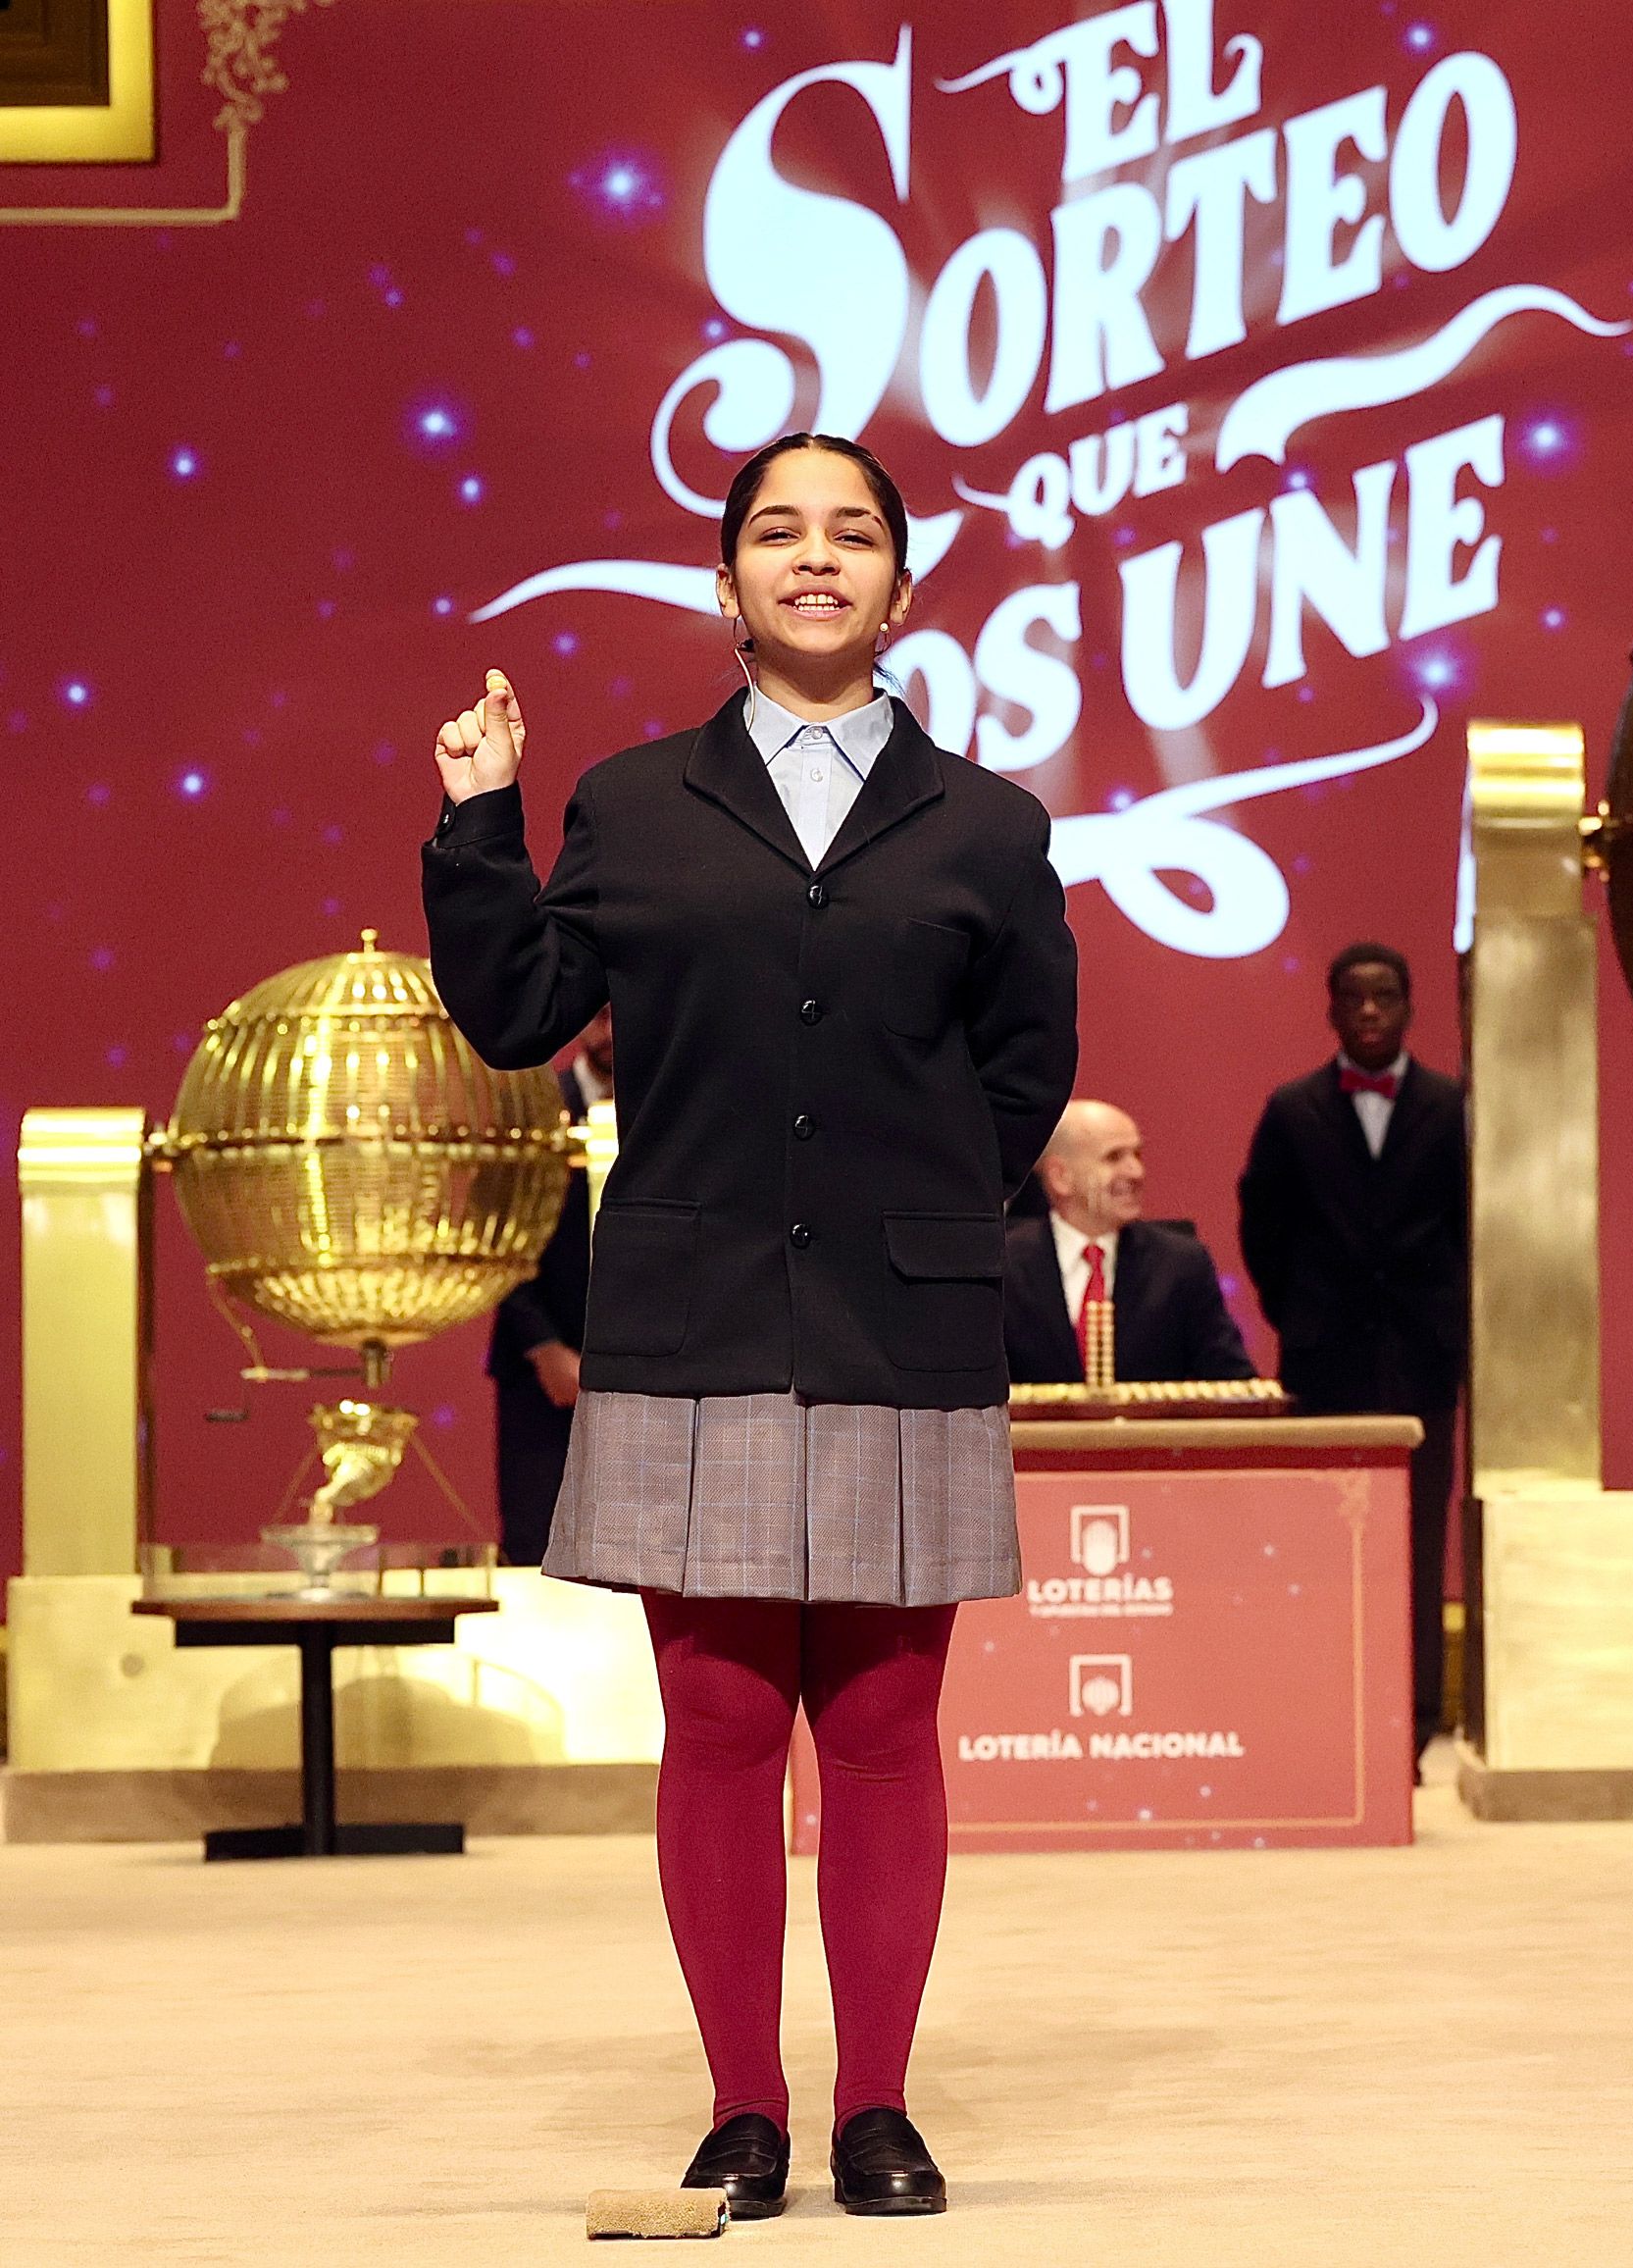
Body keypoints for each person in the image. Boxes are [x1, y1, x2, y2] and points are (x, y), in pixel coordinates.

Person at [421, 432, 1076, 2221]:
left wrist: (915, 1205)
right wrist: (482, 815)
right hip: (692, 1315)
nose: (815, 557)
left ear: (902, 588)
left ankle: (877, 2105)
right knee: (716, 1724)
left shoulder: (990, 826)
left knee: (881, 1728)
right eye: (777, 532)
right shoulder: (630, 805)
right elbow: (518, 1011)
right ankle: (742, 2109)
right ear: (724, 585)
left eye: (852, 533)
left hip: (899, 1319)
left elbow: (1026, 1074)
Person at [1237, 944, 1468, 1756]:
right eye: (1355, 998)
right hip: (1325, 1362)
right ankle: (1331, 1713)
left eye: (1386, 997)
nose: (1370, 1011)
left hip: (1424, 1364)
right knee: (1324, 1539)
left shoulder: (1455, 1106)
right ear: (1331, 1009)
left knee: (1419, 1540)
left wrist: (1450, 1323)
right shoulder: (1293, 1108)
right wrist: (1299, 1313)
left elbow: (1475, 1231)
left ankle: (1417, 1720)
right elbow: (1261, 1227)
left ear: (1409, 1006)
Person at [1004, 1099, 1253, 1386]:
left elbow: (1234, 1383)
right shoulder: (1004, 1266)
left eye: (1137, 1154)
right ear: (1060, 1176)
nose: (1136, 1172)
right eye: (1113, 1157)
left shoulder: (1182, 1264)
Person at [487, 1005, 612, 1569]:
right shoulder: (532, 1111)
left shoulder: (677, 1114)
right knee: (538, 1548)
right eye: (599, 1015)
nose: (608, 1031)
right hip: (542, 1379)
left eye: (619, 1014)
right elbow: (494, 1236)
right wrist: (545, 1347)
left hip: (660, 1376)